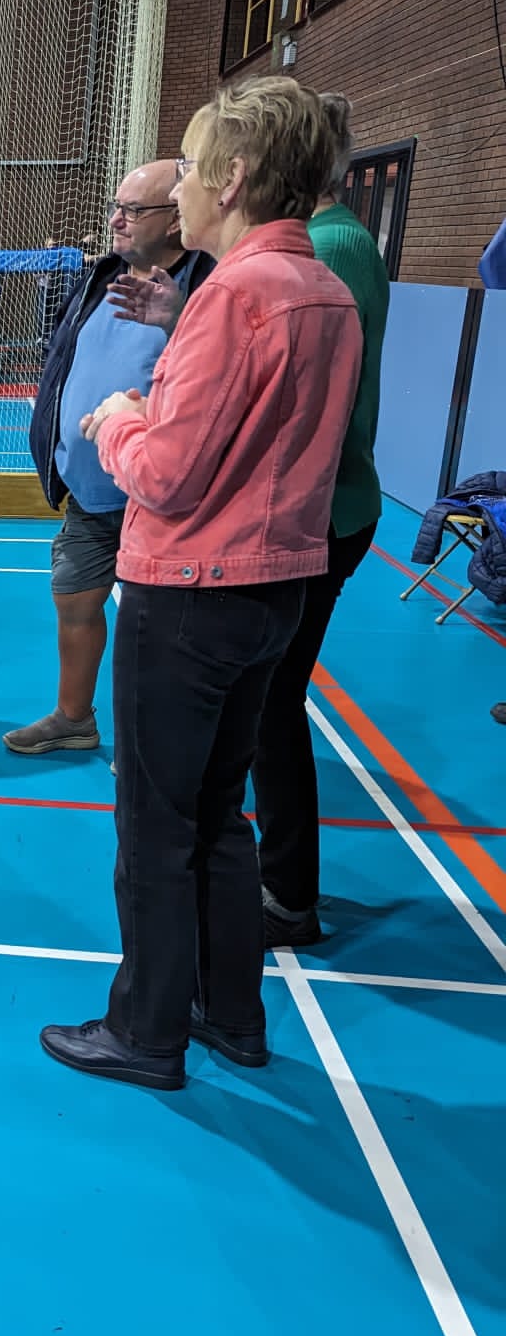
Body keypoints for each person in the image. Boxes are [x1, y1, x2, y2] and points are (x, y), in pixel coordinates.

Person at [40, 76, 363, 1090]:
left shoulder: (235, 296)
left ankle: (144, 1029)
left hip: (191, 589)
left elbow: (170, 472)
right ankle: (231, 1011)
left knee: (155, 826)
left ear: (232, 176)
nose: (174, 189)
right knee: (221, 815)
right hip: (277, 588)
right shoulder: (325, 290)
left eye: (184, 166)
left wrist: (121, 415)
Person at [4, 162, 213, 755]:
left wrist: (177, 319)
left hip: (159, 498)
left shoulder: (205, 287)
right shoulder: (101, 277)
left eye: (134, 209)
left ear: (176, 219)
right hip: (91, 490)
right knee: (73, 599)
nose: (117, 219)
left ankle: (150, 745)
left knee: (157, 630)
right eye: (116, 205)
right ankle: (74, 718)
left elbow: (213, 378)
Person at [250, 93, 390, 945]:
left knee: (269, 702)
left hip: (317, 514)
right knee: (270, 699)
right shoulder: (340, 244)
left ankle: (285, 896)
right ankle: (281, 884)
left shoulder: (326, 248)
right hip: (329, 508)